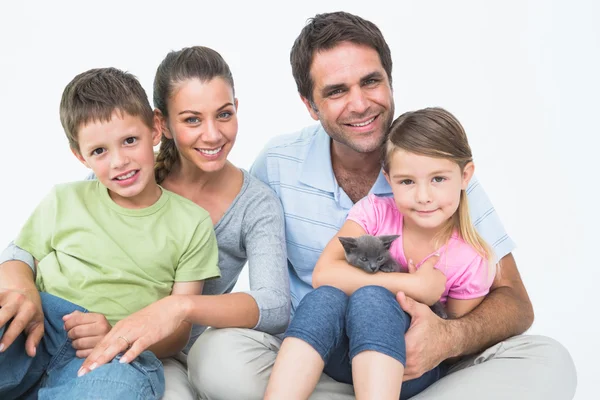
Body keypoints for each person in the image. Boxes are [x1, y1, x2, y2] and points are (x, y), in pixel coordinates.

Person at [188, 11, 577, 400]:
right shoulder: (277, 162)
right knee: (213, 356)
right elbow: (229, 248)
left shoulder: (434, 166)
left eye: (371, 81)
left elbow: (516, 302)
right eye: (337, 91)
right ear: (310, 104)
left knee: (549, 361)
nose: (360, 104)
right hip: (316, 360)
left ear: (390, 81)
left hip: (418, 360)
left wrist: (448, 338)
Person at [0, 46, 290, 399]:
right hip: (48, 324)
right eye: (192, 119)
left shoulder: (226, 213)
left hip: (140, 349)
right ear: (161, 124)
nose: (212, 135)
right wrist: (23, 288)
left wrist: (175, 308)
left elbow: (274, 305)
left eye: (223, 114)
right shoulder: (110, 177)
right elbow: (21, 252)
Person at [264, 107, 497, 399]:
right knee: (325, 297)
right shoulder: (374, 211)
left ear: (465, 176)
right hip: (343, 355)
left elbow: (455, 344)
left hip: (408, 366)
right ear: (388, 178)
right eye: (407, 181)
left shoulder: (471, 259)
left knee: (372, 297)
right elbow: (324, 274)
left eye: (438, 179)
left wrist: (427, 314)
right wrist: (414, 286)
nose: (423, 196)